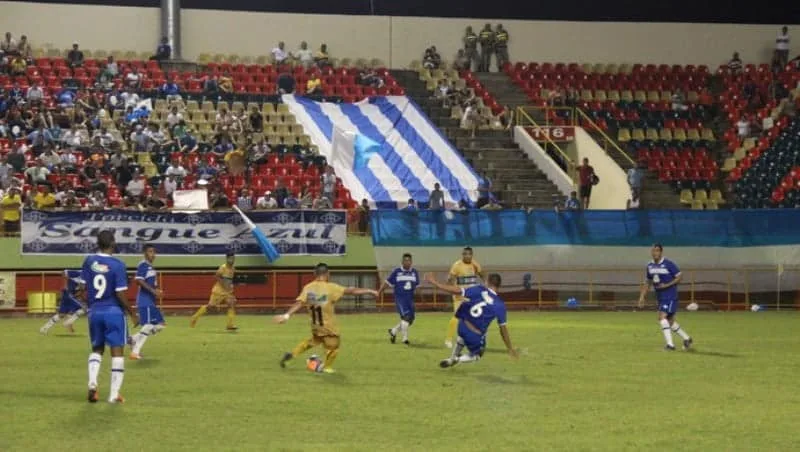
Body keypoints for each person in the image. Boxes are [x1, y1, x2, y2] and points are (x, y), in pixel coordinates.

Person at [274, 263, 379, 374]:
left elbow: (299, 303)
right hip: (328, 326)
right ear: (327, 274)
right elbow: (351, 291)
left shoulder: (308, 287)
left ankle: (292, 354)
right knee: (334, 346)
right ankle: (326, 367)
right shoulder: (330, 287)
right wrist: (370, 291)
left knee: (314, 341)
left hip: (316, 325)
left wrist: (286, 315)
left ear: (315, 274)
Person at [82, 230, 136, 404]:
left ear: (98, 243)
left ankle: (92, 383)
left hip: (94, 312)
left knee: (97, 349)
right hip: (113, 312)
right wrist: (132, 312)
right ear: (113, 243)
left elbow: (83, 289)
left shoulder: (89, 261)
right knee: (117, 353)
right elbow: (120, 293)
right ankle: (113, 394)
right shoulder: (118, 265)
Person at [425, 272, 518, 367]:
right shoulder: (500, 305)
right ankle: (457, 359)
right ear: (499, 286)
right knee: (478, 354)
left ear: (487, 282)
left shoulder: (479, 289)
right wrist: (510, 348)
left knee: (462, 337)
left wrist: (436, 283)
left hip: (462, 325)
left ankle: (451, 359)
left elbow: (457, 291)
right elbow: (503, 329)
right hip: (474, 334)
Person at [638, 244, 693, 351]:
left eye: (657, 250)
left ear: (661, 252)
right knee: (670, 320)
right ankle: (687, 339)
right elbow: (648, 282)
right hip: (660, 297)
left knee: (661, 317)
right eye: (653, 251)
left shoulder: (668, 264)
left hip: (670, 295)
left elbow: (679, 277)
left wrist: (667, 285)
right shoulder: (650, 266)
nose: (655, 253)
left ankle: (670, 345)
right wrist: (642, 296)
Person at [129, 245, 165, 360]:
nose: (153, 254)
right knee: (149, 325)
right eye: (150, 252)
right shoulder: (143, 265)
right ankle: (135, 352)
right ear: (144, 253)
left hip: (150, 301)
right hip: (145, 300)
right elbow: (138, 280)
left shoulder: (151, 267)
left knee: (160, 325)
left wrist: (157, 290)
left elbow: (150, 283)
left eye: (154, 252)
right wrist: (153, 291)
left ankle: (133, 339)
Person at [444, 246, 483, 348]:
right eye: (465, 254)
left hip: (471, 296)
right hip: (459, 296)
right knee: (457, 317)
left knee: (471, 319)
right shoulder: (457, 265)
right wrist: (451, 285)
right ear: (462, 255)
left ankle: (468, 339)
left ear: (472, 255)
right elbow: (450, 279)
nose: (467, 256)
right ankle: (448, 339)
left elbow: (483, 275)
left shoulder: (475, 264)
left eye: (469, 254)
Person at [377, 253, 420, 345]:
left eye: (409, 260)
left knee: (410, 320)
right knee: (406, 317)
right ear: (402, 262)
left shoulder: (414, 272)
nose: (407, 262)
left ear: (411, 262)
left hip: (410, 300)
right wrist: (379, 292)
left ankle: (393, 331)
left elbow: (417, 286)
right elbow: (387, 282)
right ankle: (405, 339)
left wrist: (421, 298)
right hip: (400, 299)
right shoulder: (396, 272)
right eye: (405, 260)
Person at [190, 252, 238, 330]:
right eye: (230, 258)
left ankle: (230, 325)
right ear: (227, 259)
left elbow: (229, 280)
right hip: (219, 291)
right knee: (210, 307)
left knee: (231, 304)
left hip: (227, 291)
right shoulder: (223, 267)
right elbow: (216, 276)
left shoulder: (233, 268)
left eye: (233, 258)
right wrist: (224, 285)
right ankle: (195, 317)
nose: (232, 260)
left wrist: (230, 287)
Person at [39, 269, 86, 335]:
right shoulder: (79, 273)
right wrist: (66, 286)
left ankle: (44, 328)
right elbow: (64, 272)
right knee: (84, 309)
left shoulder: (88, 278)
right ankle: (68, 323)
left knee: (61, 315)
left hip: (69, 295)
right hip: (68, 294)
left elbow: (81, 290)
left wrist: (77, 295)